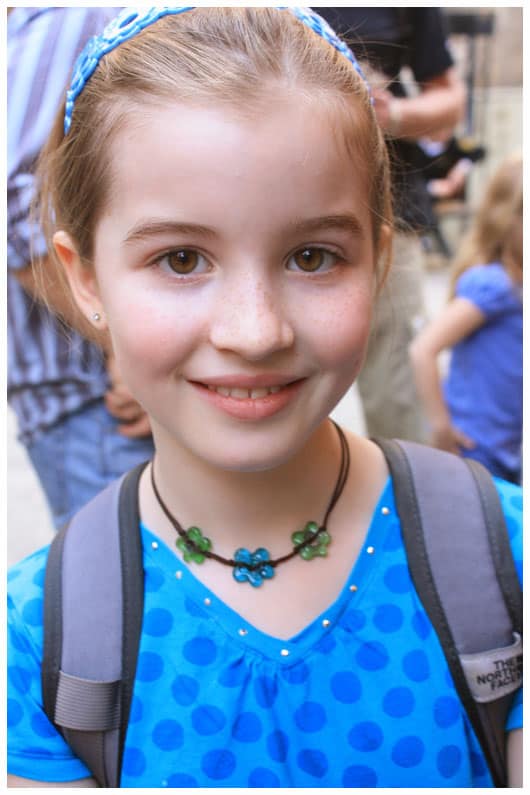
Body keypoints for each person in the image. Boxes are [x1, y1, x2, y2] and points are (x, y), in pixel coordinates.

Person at [7, 8, 522, 788]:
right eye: (181, 258)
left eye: (313, 255)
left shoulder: (502, 562)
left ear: (379, 259)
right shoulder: (41, 638)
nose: (255, 331)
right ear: (85, 277)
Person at [7, 7, 155, 531]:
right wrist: (121, 344)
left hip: (122, 396)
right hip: (102, 406)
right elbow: (14, 200)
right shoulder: (80, 14)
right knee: (118, 596)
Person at [312, 7, 466, 441]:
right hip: (264, 213)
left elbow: (450, 97)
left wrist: (391, 115)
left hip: (388, 211)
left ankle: (407, 499)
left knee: (398, 394)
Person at [409, 154, 523, 484]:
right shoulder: (495, 285)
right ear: (509, 219)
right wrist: (442, 429)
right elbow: (423, 349)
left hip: (507, 448)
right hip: (476, 449)